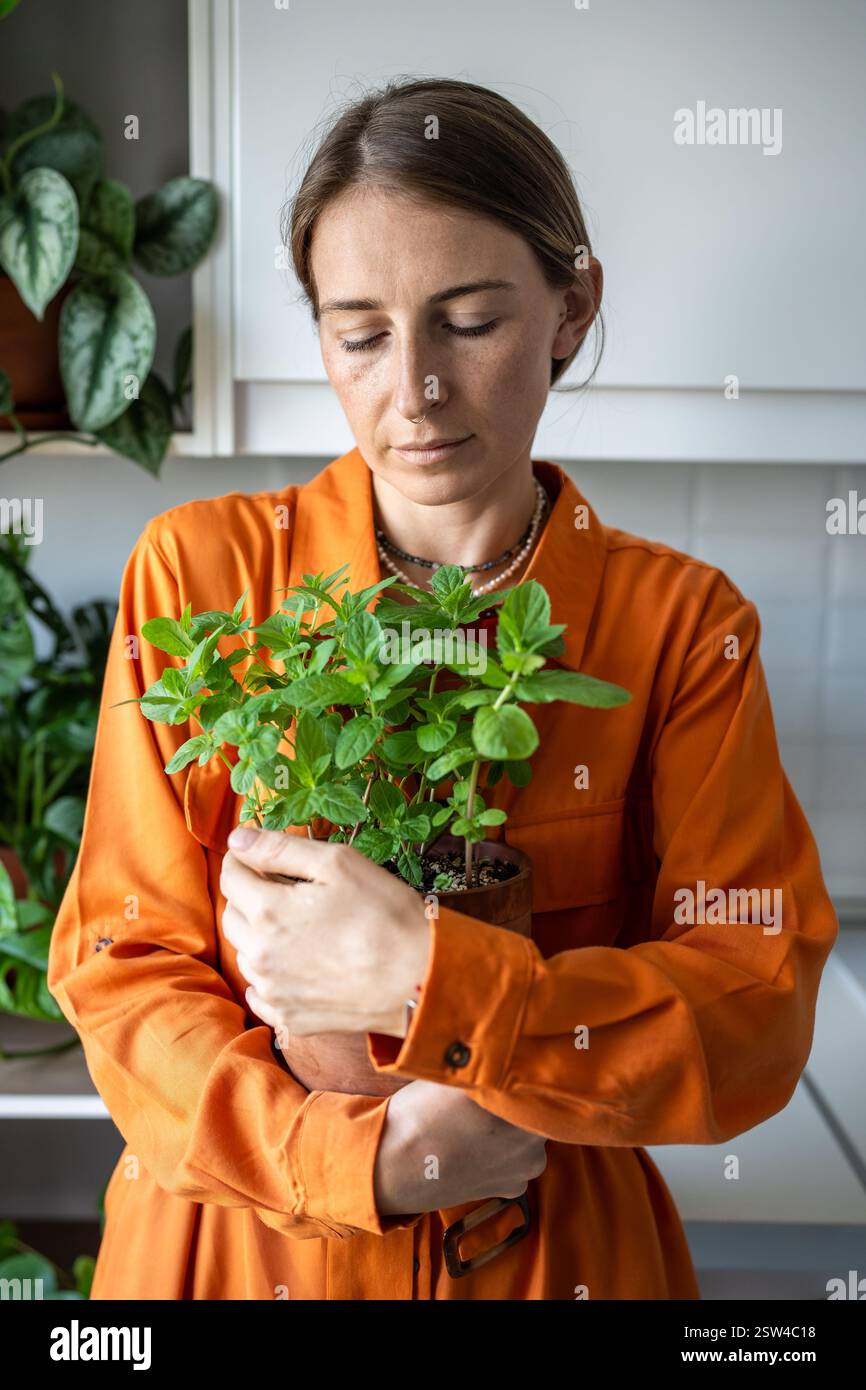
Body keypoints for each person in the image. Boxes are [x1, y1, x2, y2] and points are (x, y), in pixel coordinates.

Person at [48, 77, 838, 1301]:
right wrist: (364, 1161)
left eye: (468, 322)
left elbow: (751, 1010)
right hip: (236, 1246)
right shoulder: (202, 578)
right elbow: (122, 966)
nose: (410, 390)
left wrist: (430, 979)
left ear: (571, 305)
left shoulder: (679, 627)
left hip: (549, 1239)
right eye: (358, 334)